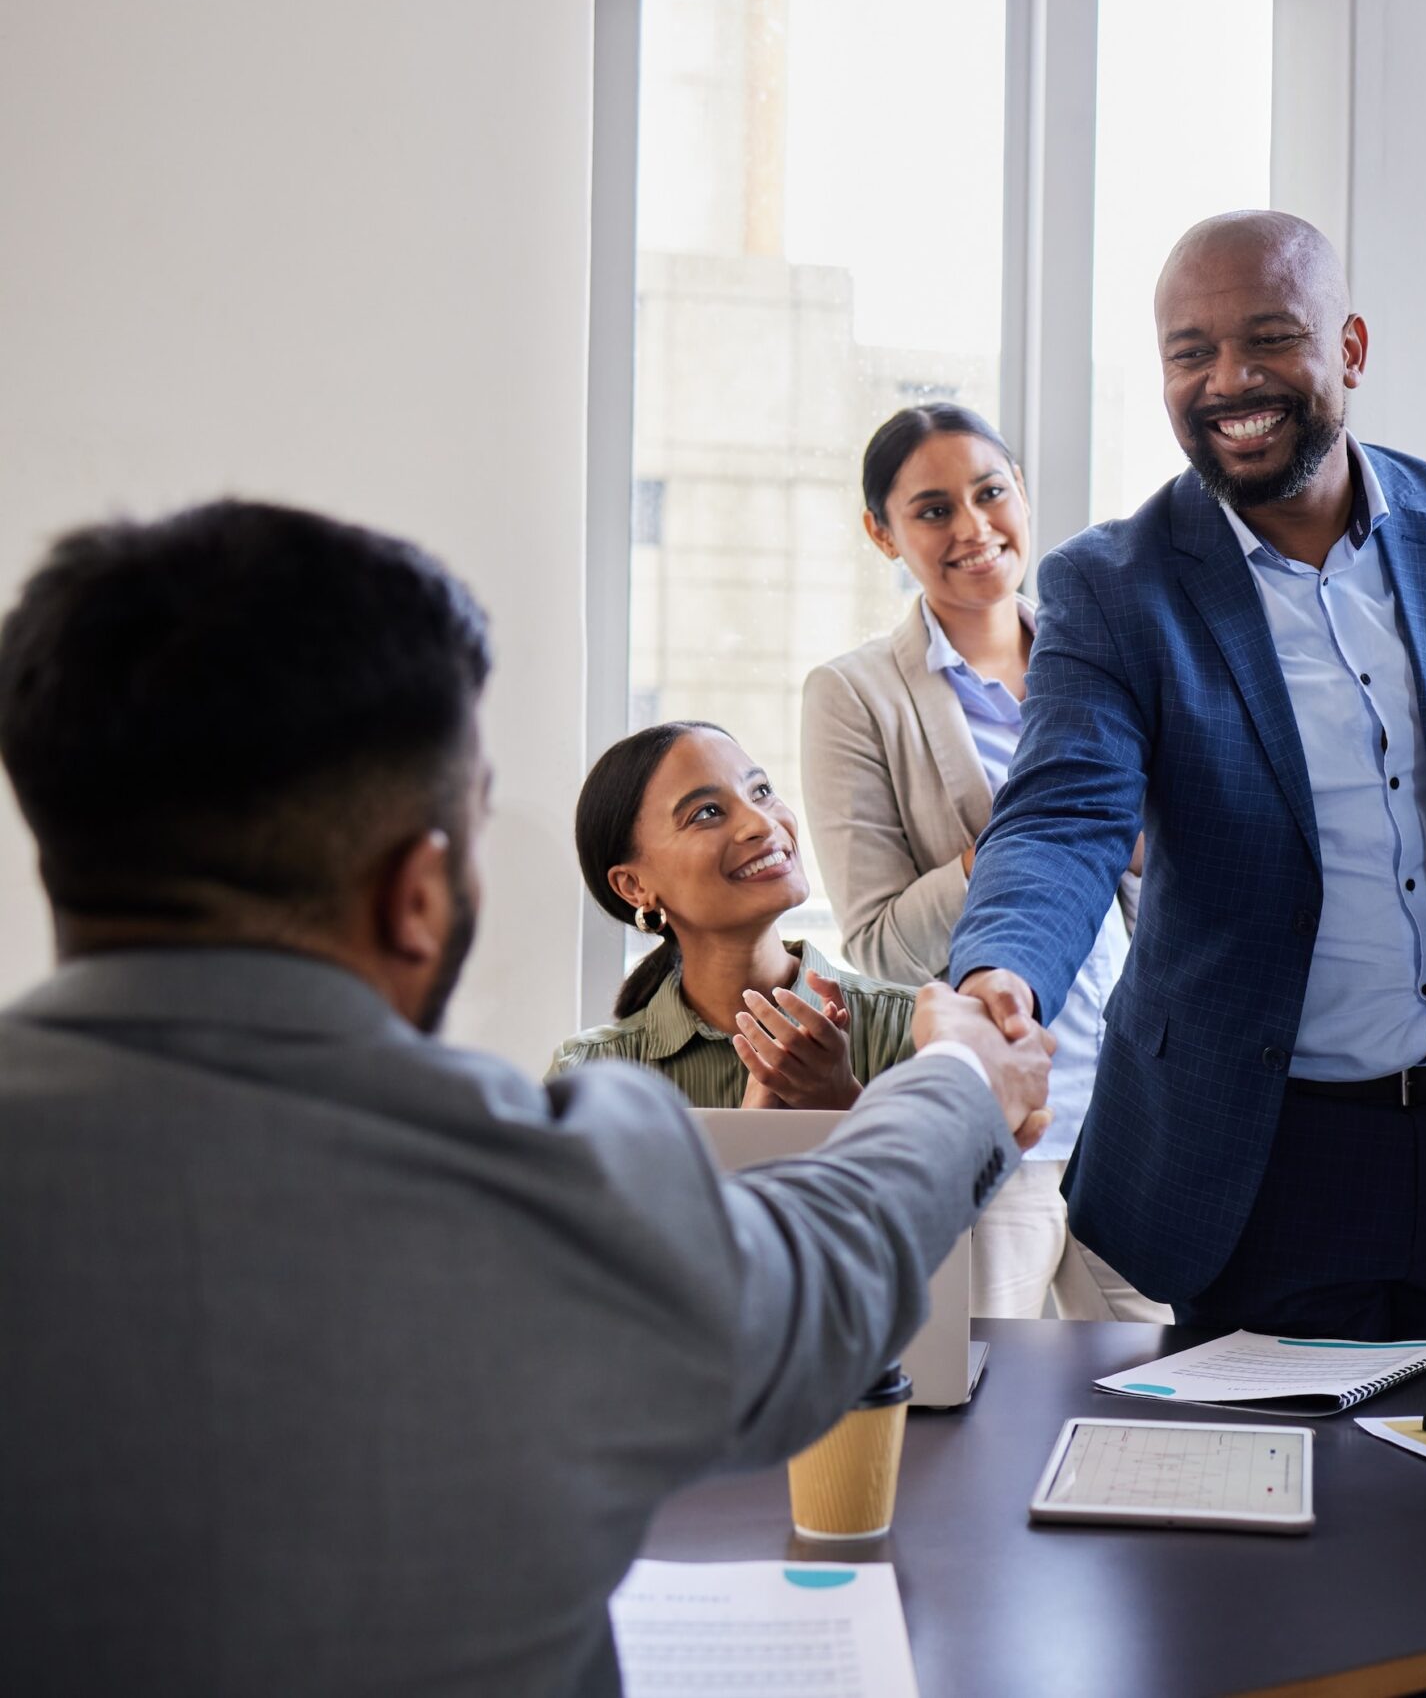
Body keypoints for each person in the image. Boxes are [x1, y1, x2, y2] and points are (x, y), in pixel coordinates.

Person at [0, 500, 1053, 1696]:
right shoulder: (524, 1168)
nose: (760, 823)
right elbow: (817, 1274)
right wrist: (959, 1074)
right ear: (417, 895)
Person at [948, 211, 1426, 1357]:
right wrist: (999, 975)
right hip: (1255, 1160)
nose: (1230, 381)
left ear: (1350, 349)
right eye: (1190, 353)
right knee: (1265, 1517)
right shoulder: (1112, 586)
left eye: (1269, 339)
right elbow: (1064, 813)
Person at [800, 402, 1165, 1321]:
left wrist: (1134, 847)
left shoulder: (1101, 663)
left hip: (1131, 1118)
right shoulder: (855, 695)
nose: (972, 528)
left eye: (990, 492)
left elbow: (1161, 893)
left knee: (1169, 1393)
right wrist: (1017, 843)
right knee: (985, 1413)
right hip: (1000, 1126)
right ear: (881, 532)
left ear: (1023, 497)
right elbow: (879, 940)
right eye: (930, 510)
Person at [549, 719, 917, 1110]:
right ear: (633, 886)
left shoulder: (914, 1029)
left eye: (761, 791)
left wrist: (841, 1101)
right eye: (707, 812)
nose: (762, 823)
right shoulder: (587, 1077)